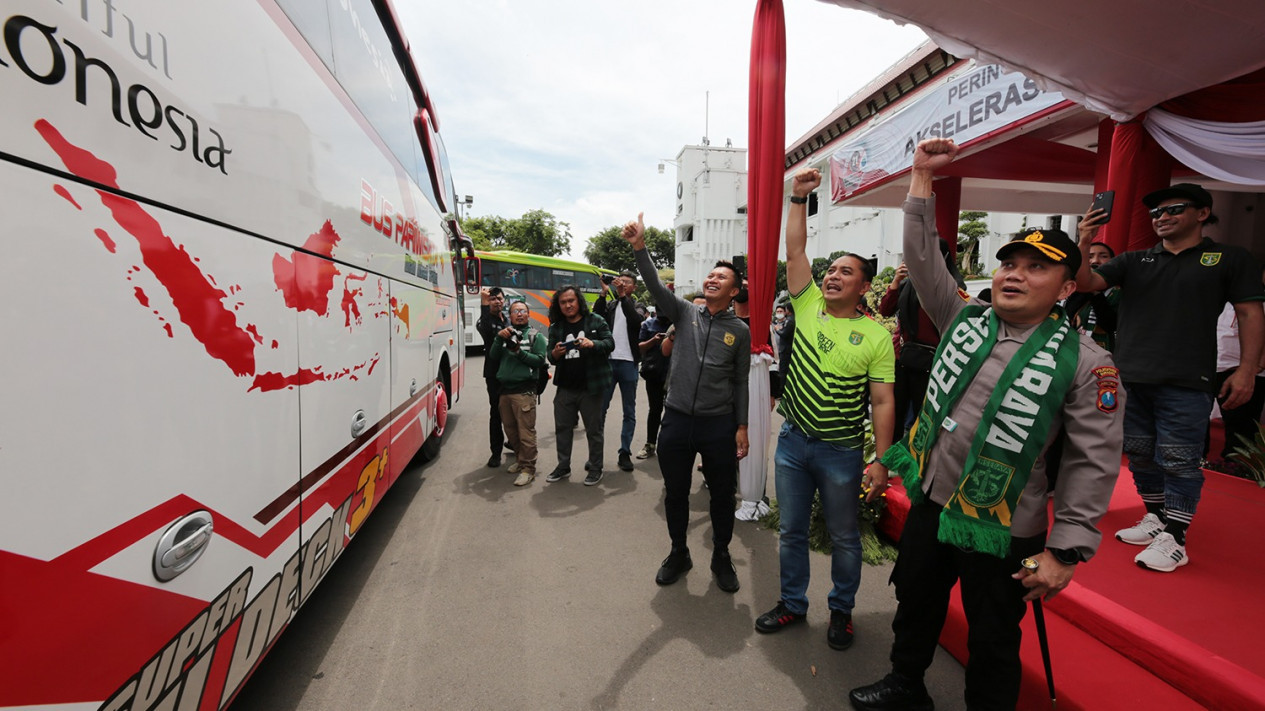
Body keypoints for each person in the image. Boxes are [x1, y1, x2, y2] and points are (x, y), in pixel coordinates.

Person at [849, 138, 1124, 711]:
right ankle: (906, 685)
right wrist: (921, 179)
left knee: (994, 635)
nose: (1015, 276)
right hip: (931, 499)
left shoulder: (1086, 361)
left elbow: (1091, 463)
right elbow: (924, 258)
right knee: (916, 600)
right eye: (1009, 264)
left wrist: (1066, 550)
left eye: (1037, 269)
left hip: (1003, 526)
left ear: (1067, 289)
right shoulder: (964, 317)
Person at [1078, 183, 1265, 572]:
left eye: (1173, 209)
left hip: (1187, 379)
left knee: (1179, 460)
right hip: (1131, 378)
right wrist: (1084, 239)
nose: (1161, 218)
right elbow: (1085, 283)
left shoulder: (1229, 258)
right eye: (1156, 213)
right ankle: (1158, 519)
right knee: (1141, 454)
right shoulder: (1133, 261)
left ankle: (1177, 539)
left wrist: (1247, 370)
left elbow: (1249, 314)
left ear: (1202, 213)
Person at [754, 170, 896, 654]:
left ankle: (842, 611)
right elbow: (795, 252)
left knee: (844, 536)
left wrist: (880, 459)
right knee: (792, 531)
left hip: (841, 451)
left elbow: (882, 400)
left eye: (845, 272)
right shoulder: (808, 303)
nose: (832, 275)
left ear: (864, 287)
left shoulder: (877, 336)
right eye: (831, 268)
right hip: (793, 442)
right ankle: (793, 603)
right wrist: (797, 197)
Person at [622, 213, 750, 593]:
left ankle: (721, 555)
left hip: (718, 425)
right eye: (710, 275)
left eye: (721, 278)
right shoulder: (684, 312)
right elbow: (653, 284)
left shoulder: (739, 332)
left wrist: (741, 426)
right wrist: (640, 247)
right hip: (677, 420)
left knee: (723, 495)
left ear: (734, 291)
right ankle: (679, 551)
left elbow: (741, 381)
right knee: (675, 492)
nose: (712, 279)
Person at [878, 252, 966, 436]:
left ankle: (920, 458)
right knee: (896, 410)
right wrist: (896, 280)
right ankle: (890, 456)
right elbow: (885, 310)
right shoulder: (907, 284)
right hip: (901, 356)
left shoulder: (952, 287)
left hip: (932, 362)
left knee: (924, 414)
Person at [546, 286, 615, 486]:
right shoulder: (556, 327)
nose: (568, 305)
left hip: (591, 387)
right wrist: (556, 354)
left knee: (594, 430)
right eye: (563, 302)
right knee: (562, 428)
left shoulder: (596, 320)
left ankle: (595, 468)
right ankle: (563, 466)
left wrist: (592, 344)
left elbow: (610, 344)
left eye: (571, 301)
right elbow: (550, 355)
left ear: (579, 302)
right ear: (559, 306)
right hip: (565, 387)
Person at [488, 300, 547, 486]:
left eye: (522, 311)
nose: (519, 314)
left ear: (528, 315)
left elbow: (539, 361)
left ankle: (528, 469)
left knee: (526, 433)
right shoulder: (506, 335)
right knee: (511, 431)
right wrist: (499, 338)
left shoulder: (535, 336)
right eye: (515, 311)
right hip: (505, 391)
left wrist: (518, 352)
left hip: (524, 391)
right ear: (510, 315)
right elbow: (493, 356)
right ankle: (521, 461)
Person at [596, 271, 645, 472]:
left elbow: (635, 321)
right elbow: (597, 317)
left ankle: (624, 452)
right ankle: (595, 454)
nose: (622, 284)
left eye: (627, 282)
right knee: (600, 409)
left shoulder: (638, 306)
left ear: (633, 287)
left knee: (629, 411)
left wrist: (623, 296)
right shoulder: (611, 305)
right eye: (620, 281)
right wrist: (603, 293)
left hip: (628, 363)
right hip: (608, 361)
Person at [1208, 302, 1265, 469]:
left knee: (1241, 431)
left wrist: (1255, 366)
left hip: (1245, 369)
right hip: (1210, 362)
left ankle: (1237, 470)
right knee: (1195, 420)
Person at [1064, 241, 1119, 351]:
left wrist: (1094, 290)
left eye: (1103, 256)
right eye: (1089, 257)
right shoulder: (1071, 290)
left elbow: (1111, 324)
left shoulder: (1121, 291)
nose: (1095, 261)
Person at [476, 287, 510, 468]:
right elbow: (486, 330)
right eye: (493, 299)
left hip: (512, 372)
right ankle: (496, 453)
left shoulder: (509, 319)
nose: (497, 301)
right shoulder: (486, 321)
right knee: (496, 412)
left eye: (499, 299)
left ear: (504, 300)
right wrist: (483, 303)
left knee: (515, 409)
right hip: (494, 374)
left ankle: (513, 442)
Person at [635, 309, 671, 459]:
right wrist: (653, 341)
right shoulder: (648, 324)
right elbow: (640, 346)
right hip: (654, 373)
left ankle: (670, 446)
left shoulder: (679, 324)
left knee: (673, 413)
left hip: (674, 375)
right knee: (655, 410)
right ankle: (650, 444)